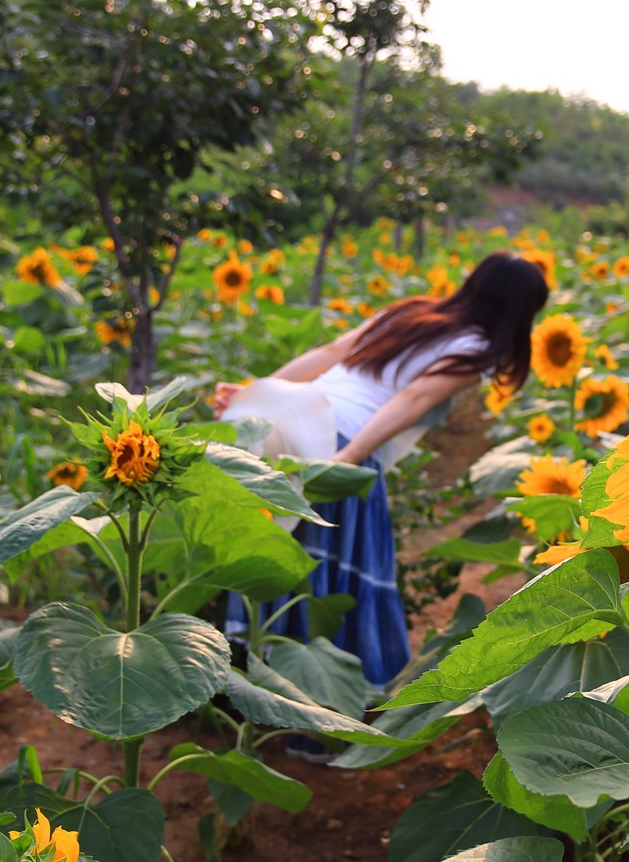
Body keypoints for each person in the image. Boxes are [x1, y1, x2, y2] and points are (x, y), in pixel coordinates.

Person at [218, 250, 550, 688]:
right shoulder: (478, 349)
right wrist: (351, 458)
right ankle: (323, 703)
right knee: (331, 576)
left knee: (277, 552)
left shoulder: (410, 311)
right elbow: (412, 399)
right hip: (341, 438)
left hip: (294, 421)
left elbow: (331, 352)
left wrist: (256, 397)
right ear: (520, 312)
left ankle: (254, 683)